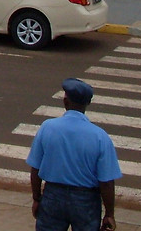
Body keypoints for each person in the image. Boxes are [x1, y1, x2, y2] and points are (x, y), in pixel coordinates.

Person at [27, 78, 121, 231]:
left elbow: (35, 169)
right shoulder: (100, 136)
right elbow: (107, 183)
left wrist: (37, 198)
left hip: (53, 197)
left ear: (65, 102)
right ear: (87, 104)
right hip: (86, 202)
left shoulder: (47, 128)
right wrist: (109, 214)